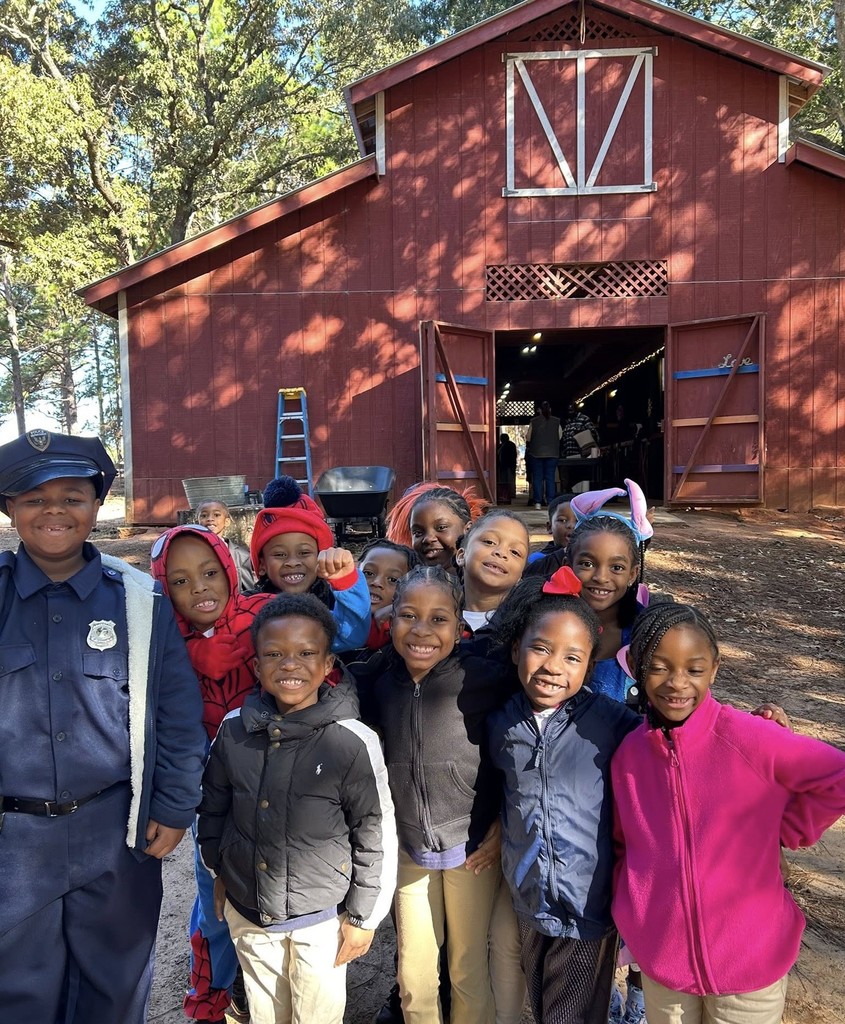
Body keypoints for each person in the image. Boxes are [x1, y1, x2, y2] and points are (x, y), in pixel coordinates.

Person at [0, 429, 206, 1024]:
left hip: (116, 832)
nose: (54, 511)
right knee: (17, 995)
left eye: (72, 496)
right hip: (14, 841)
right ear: (11, 509)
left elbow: (177, 714)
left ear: (96, 505)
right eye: (35, 498)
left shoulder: (141, 600)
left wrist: (172, 807)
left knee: (114, 989)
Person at [612, 602, 845, 1024]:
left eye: (694, 669)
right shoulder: (628, 757)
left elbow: (836, 774)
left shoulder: (750, 738)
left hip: (751, 971)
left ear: (715, 669)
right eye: (659, 667)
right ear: (636, 668)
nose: (677, 683)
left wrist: (786, 830)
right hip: (664, 969)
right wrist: (635, 914)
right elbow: (623, 843)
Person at [198, 593, 398, 1024]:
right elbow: (213, 810)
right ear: (256, 666)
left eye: (306, 653)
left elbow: (375, 831)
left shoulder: (351, 741)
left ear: (328, 665)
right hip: (249, 910)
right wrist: (218, 871)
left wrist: (364, 916)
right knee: (266, 1012)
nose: (290, 664)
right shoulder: (233, 732)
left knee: (316, 1016)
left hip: (319, 919)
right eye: (274, 654)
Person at [351, 566, 513, 1024]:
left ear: (459, 623)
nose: (422, 631)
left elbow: (515, 752)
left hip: (472, 849)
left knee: (466, 969)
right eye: (408, 615)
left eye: (438, 618)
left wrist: (503, 822)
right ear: (390, 619)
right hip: (408, 850)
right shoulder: (377, 678)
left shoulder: (486, 677)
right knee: (415, 974)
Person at [488, 567, 641, 1024]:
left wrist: (755, 724)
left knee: (570, 1015)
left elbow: (671, 743)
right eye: (541, 648)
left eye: (573, 658)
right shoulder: (500, 722)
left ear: (589, 666)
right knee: (543, 1005)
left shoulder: (611, 722)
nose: (554, 666)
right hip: (530, 898)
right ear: (516, 649)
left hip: (587, 904)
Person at [149, 524, 273, 1022]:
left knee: (277, 891)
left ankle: (267, 987)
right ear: (162, 588)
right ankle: (213, 993)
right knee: (214, 896)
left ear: (229, 570)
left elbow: (331, 647)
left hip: (276, 783)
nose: (198, 587)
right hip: (210, 797)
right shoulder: (160, 642)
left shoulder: (266, 617)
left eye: (208, 572)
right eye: (179, 581)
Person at [249, 475, 370, 651]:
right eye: (280, 554)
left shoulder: (333, 602)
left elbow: (352, 636)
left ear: (321, 556)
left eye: (304, 552)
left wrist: (346, 583)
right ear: (261, 565)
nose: (292, 562)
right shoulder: (249, 608)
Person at [353, 538, 418, 658]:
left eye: (393, 580)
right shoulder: (333, 611)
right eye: (368, 573)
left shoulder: (405, 628)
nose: (377, 583)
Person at [195, 498, 255, 593]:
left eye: (216, 515)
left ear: (227, 522)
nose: (210, 519)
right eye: (204, 515)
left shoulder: (240, 555)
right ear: (197, 522)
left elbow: (249, 591)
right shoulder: (191, 552)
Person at [526, 401, 561, 508]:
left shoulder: (534, 421)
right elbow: (560, 436)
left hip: (536, 453)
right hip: (552, 453)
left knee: (537, 478)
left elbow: (528, 437)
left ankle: (538, 502)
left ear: (539, 410)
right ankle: (550, 501)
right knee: (550, 478)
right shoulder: (557, 421)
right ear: (550, 409)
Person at [525, 494, 577, 567]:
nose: (571, 525)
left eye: (578, 520)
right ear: (549, 527)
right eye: (563, 520)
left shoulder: (590, 557)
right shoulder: (538, 560)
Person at [497, 432, 517, 504]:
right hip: (502, 466)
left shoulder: (510, 445)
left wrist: (513, 466)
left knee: (509, 480)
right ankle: (505, 493)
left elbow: (513, 456)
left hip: (508, 465)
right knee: (503, 480)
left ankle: (511, 493)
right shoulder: (500, 446)